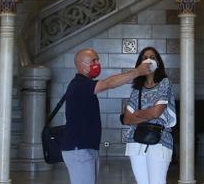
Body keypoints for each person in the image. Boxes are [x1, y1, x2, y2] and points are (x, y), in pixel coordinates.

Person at [61, 48, 152, 184]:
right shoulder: (79, 84)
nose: (97, 63)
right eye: (93, 61)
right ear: (82, 65)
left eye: (98, 59)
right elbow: (108, 84)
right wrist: (137, 71)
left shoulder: (83, 85)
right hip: (79, 149)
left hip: (85, 148)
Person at [121, 47, 175, 184]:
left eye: (152, 57)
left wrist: (138, 114)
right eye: (144, 58)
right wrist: (149, 114)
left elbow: (157, 112)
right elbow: (127, 119)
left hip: (160, 141)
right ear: (140, 64)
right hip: (135, 142)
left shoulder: (165, 83)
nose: (149, 60)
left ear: (159, 62)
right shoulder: (136, 89)